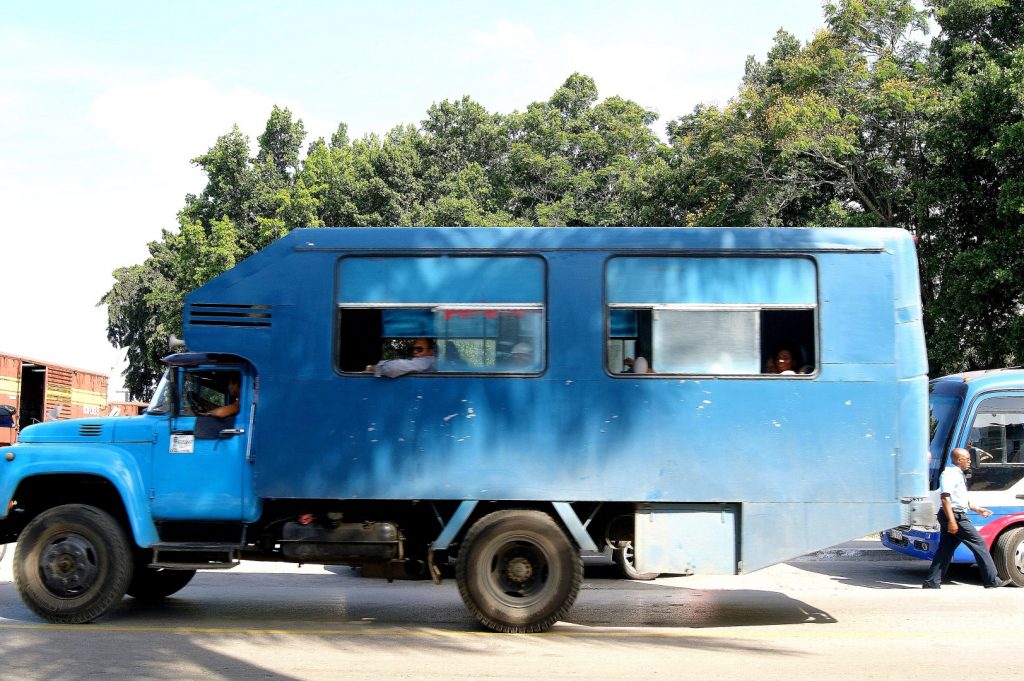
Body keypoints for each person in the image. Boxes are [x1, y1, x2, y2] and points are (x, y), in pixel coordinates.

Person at [922, 448, 1010, 589]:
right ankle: (992, 580)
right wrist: (951, 521)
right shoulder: (950, 474)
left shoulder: (958, 474)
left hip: (954, 513)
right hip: (954, 515)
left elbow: (959, 497)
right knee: (980, 544)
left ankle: (932, 582)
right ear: (958, 460)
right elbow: (945, 498)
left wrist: (976, 508)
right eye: (967, 459)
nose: (970, 462)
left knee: (945, 549)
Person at [366, 338, 436, 377]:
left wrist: (372, 368)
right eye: (413, 349)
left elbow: (394, 367)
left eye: (419, 349)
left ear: (430, 351)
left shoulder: (427, 361)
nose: (415, 352)